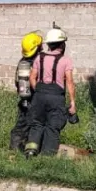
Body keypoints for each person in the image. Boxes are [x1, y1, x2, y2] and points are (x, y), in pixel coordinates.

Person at [23, 24, 76, 158]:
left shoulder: (38, 58)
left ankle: (30, 152)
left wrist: (39, 91)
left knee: (37, 124)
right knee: (53, 126)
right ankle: (47, 157)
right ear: (62, 45)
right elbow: (69, 81)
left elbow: (32, 77)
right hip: (56, 97)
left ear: (49, 44)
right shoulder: (66, 60)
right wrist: (72, 102)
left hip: (39, 95)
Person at [10, 31, 43, 151]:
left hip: (24, 100)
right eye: (40, 44)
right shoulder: (38, 62)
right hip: (35, 99)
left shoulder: (22, 61)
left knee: (21, 126)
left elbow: (16, 82)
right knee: (34, 126)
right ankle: (29, 152)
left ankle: (15, 149)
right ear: (37, 47)